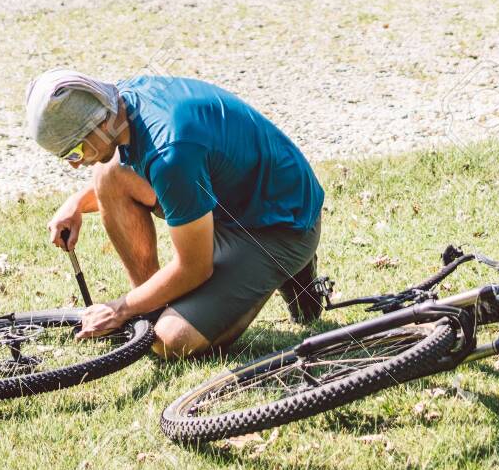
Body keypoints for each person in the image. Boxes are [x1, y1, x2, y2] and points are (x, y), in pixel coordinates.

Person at [24, 69, 325, 357]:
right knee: (108, 174)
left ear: (100, 124)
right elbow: (148, 169)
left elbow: (194, 267)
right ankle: (154, 308)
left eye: (74, 152)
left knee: (171, 340)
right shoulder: (123, 101)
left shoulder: (171, 153)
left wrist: (121, 308)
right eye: (65, 157)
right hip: (231, 198)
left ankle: (285, 270)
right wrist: (78, 203)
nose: (75, 164)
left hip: (277, 227)